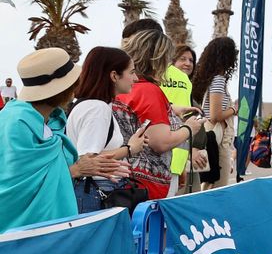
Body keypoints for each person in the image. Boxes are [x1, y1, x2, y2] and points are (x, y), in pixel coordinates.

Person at [0, 48, 130, 229]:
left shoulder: (52, 120)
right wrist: (75, 170)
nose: (78, 85)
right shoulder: (16, 124)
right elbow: (16, 189)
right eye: (72, 82)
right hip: (23, 233)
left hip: (50, 227)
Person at [119, 28, 207, 200]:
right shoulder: (149, 90)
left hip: (127, 181)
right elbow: (160, 142)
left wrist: (170, 110)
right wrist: (189, 128)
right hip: (147, 188)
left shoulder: (125, 87)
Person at [65, 46, 152, 213]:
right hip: (98, 191)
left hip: (92, 190)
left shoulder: (86, 104)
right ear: (114, 76)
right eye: (131, 72)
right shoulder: (98, 109)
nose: (135, 78)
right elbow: (88, 160)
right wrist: (130, 149)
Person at [191, 37, 240, 188]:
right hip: (218, 139)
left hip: (208, 137)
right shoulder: (218, 80)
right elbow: (215, 116)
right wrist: (234, 109)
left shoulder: (207, 79)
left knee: (207, 183)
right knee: (219, 185)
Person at [160, 44, 198, 186]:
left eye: (191, 60)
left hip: (161, 153)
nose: (188, 63)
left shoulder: (159, 75)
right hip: (172, 153)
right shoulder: (184, 82)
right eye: (183, 59)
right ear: (172, 59)